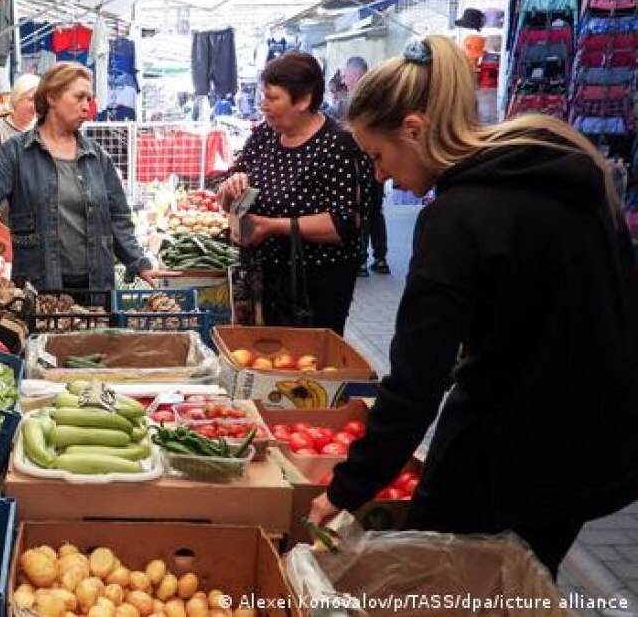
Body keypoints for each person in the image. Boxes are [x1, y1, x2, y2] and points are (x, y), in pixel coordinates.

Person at [307, 36, 638, 577]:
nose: (379, 175)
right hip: (597, 451)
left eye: (377, 155)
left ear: (413, 129)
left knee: (454, 585)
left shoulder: (456, 219)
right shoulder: (568, 176)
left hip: (514, 452)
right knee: (522, 584)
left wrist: (347, 490)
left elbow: (416, 385)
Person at [0, 62, 174, 291]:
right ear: (52, 97)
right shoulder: (17, 153)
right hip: (40, 287)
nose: (87, 106)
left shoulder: (97, 158)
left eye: (89, 98)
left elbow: (118, 218)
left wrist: (137, 261)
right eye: (79, 97)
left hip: (96, 288)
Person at [216, 52, 365, 334]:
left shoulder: (337, 145)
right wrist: (230, 189)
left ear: (303, 100)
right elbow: (227, 194)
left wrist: (271, 227)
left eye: (272, 98)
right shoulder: (265, 135)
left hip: (315, 284)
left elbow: (343, 223)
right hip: (264, 278)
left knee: (306, 363)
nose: (263, 106)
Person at [340, 56, 389, 276]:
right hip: (375, 161)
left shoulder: (360, 99)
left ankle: (361, 260)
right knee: (375, 211)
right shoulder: (378, 96)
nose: (342, 77)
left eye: (345, 73)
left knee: (362, 210)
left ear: (356, 75)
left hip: (361, 164)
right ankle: (380, 259)